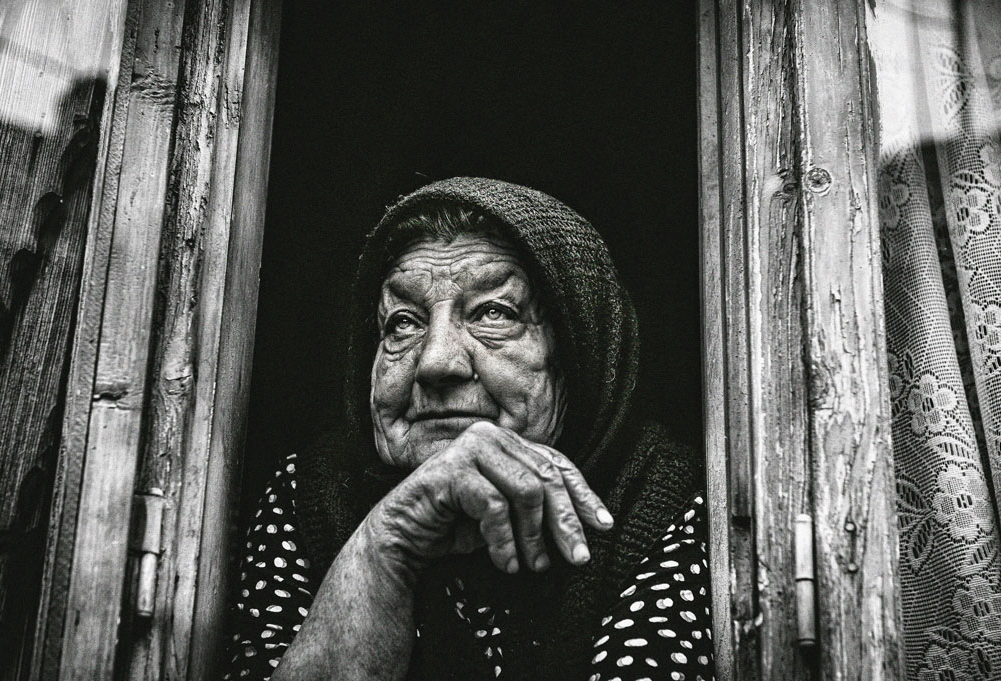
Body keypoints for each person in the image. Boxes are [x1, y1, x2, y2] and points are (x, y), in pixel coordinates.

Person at [224, 177, 713, 681]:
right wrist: (386, 543)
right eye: (403, 323)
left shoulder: (658, 496)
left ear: (579, 353)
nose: (435, 362)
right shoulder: (312, 491)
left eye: (493, 313)